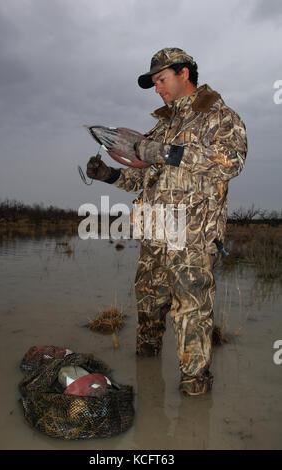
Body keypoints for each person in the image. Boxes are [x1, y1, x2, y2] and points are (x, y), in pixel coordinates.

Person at [86, 47, 247, 396]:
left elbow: (230, 163)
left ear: (184, 73)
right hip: (155, 232)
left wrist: (165, 152)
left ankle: (195, 393)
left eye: (161, 80)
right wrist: (110, 175)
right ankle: (148, 382)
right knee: (148, 302)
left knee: (191, 312)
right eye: (154, 83)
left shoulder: (219, 116)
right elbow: (144, 179)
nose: (157, 88)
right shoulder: (161, 125)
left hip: (192, 237)